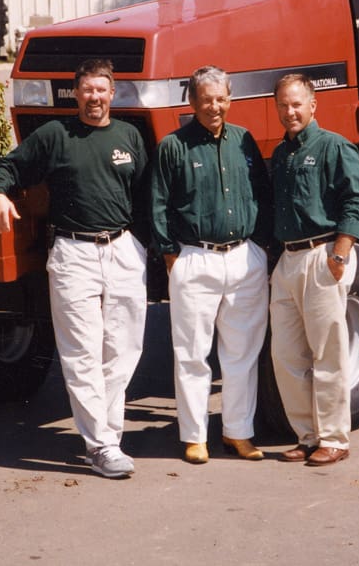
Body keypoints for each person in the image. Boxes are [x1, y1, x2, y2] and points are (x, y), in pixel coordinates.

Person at [0, 58, 148, 480]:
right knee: (83, 353)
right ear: (75, 94)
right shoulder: (57, 135)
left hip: (122, 250)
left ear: (114, 93)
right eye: (87, 90)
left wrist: (143, 247)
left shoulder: (129, 136)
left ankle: (107, 434)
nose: (94, 97)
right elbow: (8, 166)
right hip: (74, 254)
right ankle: (102, 445)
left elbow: (145, 195)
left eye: (102, 89)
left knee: (125, 349)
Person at [150, 66, 271, 465]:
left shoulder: (244, 141)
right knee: (192, 354)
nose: (214, 107)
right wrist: (172, 255)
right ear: (192, 102)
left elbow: (263, 195)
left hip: (243, 259)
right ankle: (194, 436)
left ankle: (238, 433)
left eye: (220, 99)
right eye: (206, 100)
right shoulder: (174, 146)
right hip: (194, 258)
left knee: (242, 353)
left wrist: (261, 250)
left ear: (230, 100)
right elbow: (158, 204)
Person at [270, 73, 359, 466]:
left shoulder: (334, 146)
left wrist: (340, 254)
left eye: (297, 104)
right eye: (283, 105)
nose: (290, 111)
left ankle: (334, 438)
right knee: (286, 354)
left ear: (313, 105)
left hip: (323, 254)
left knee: (328, 351)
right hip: (288, 259)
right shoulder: (282, 153)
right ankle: (306, 436)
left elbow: (356, 198)